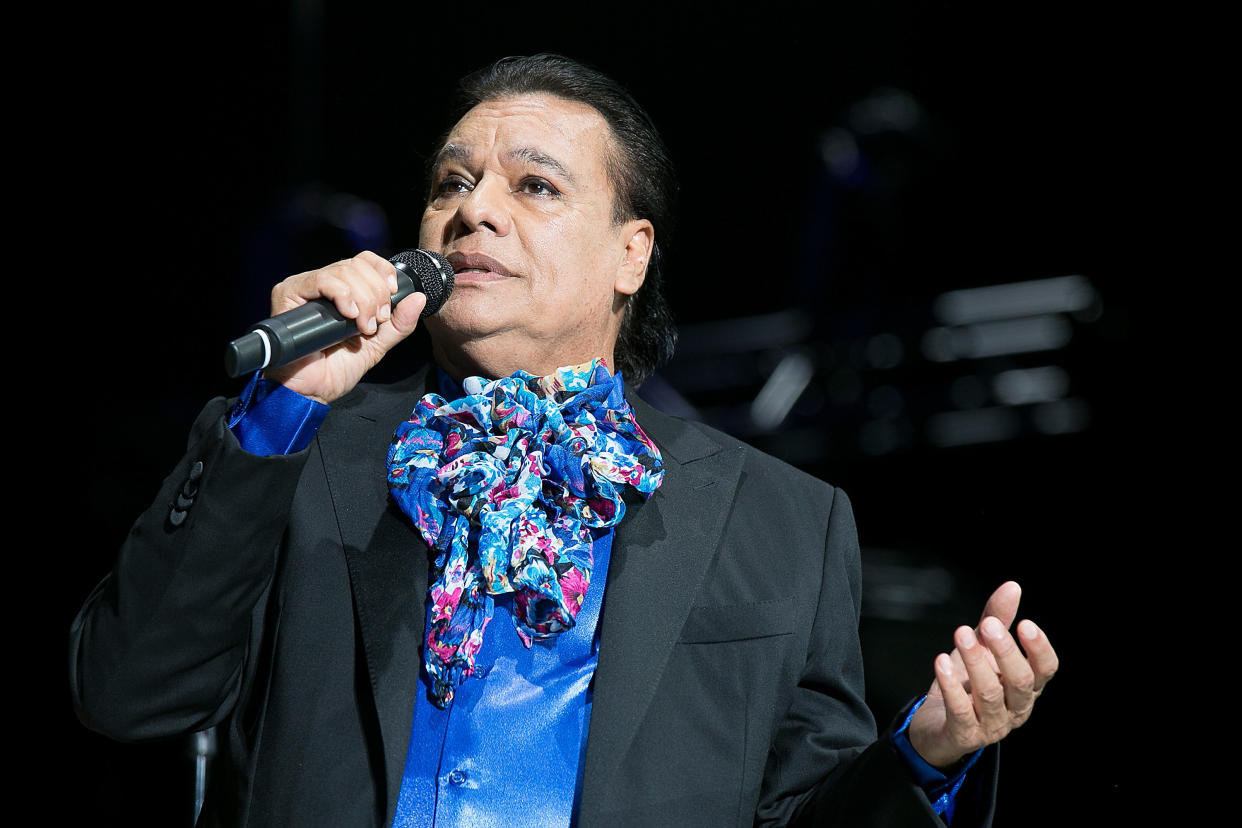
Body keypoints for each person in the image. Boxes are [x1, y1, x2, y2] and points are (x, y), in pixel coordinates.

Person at [69, 53, 1057, 827]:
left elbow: (800, 814)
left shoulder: (783, 519)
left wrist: (927, 755)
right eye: (452, 182)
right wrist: (281, 407)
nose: (474, 209)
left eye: (534, 186)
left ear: (632, 254)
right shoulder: (302, 452)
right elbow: (128, 692)